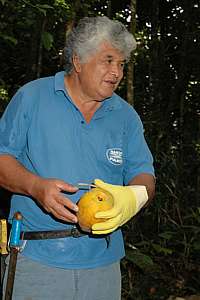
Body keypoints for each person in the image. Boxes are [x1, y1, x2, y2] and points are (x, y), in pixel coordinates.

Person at [0, 16, 155, 300]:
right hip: (36, 260)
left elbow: (144, 175)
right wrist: (36, 187)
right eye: (108, 60)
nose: (116, 72)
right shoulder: (33, 98)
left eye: (121, 64)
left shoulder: (125, 116)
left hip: (103, 265)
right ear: (78, 61)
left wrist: (130, 199)